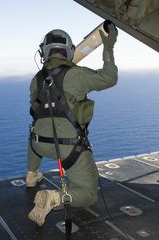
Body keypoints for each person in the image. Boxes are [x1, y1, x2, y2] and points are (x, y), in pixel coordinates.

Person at [26, 24, 118, 226]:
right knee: (88, 194)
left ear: (44, 52)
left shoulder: (36, 79)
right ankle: (55, 198)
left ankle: (31, 174)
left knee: (33, 129)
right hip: (70, 149)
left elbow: (37, 111)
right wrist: (108, 46)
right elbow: (110, 78)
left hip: (39, 145)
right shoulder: (77, 75)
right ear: (68, 51)